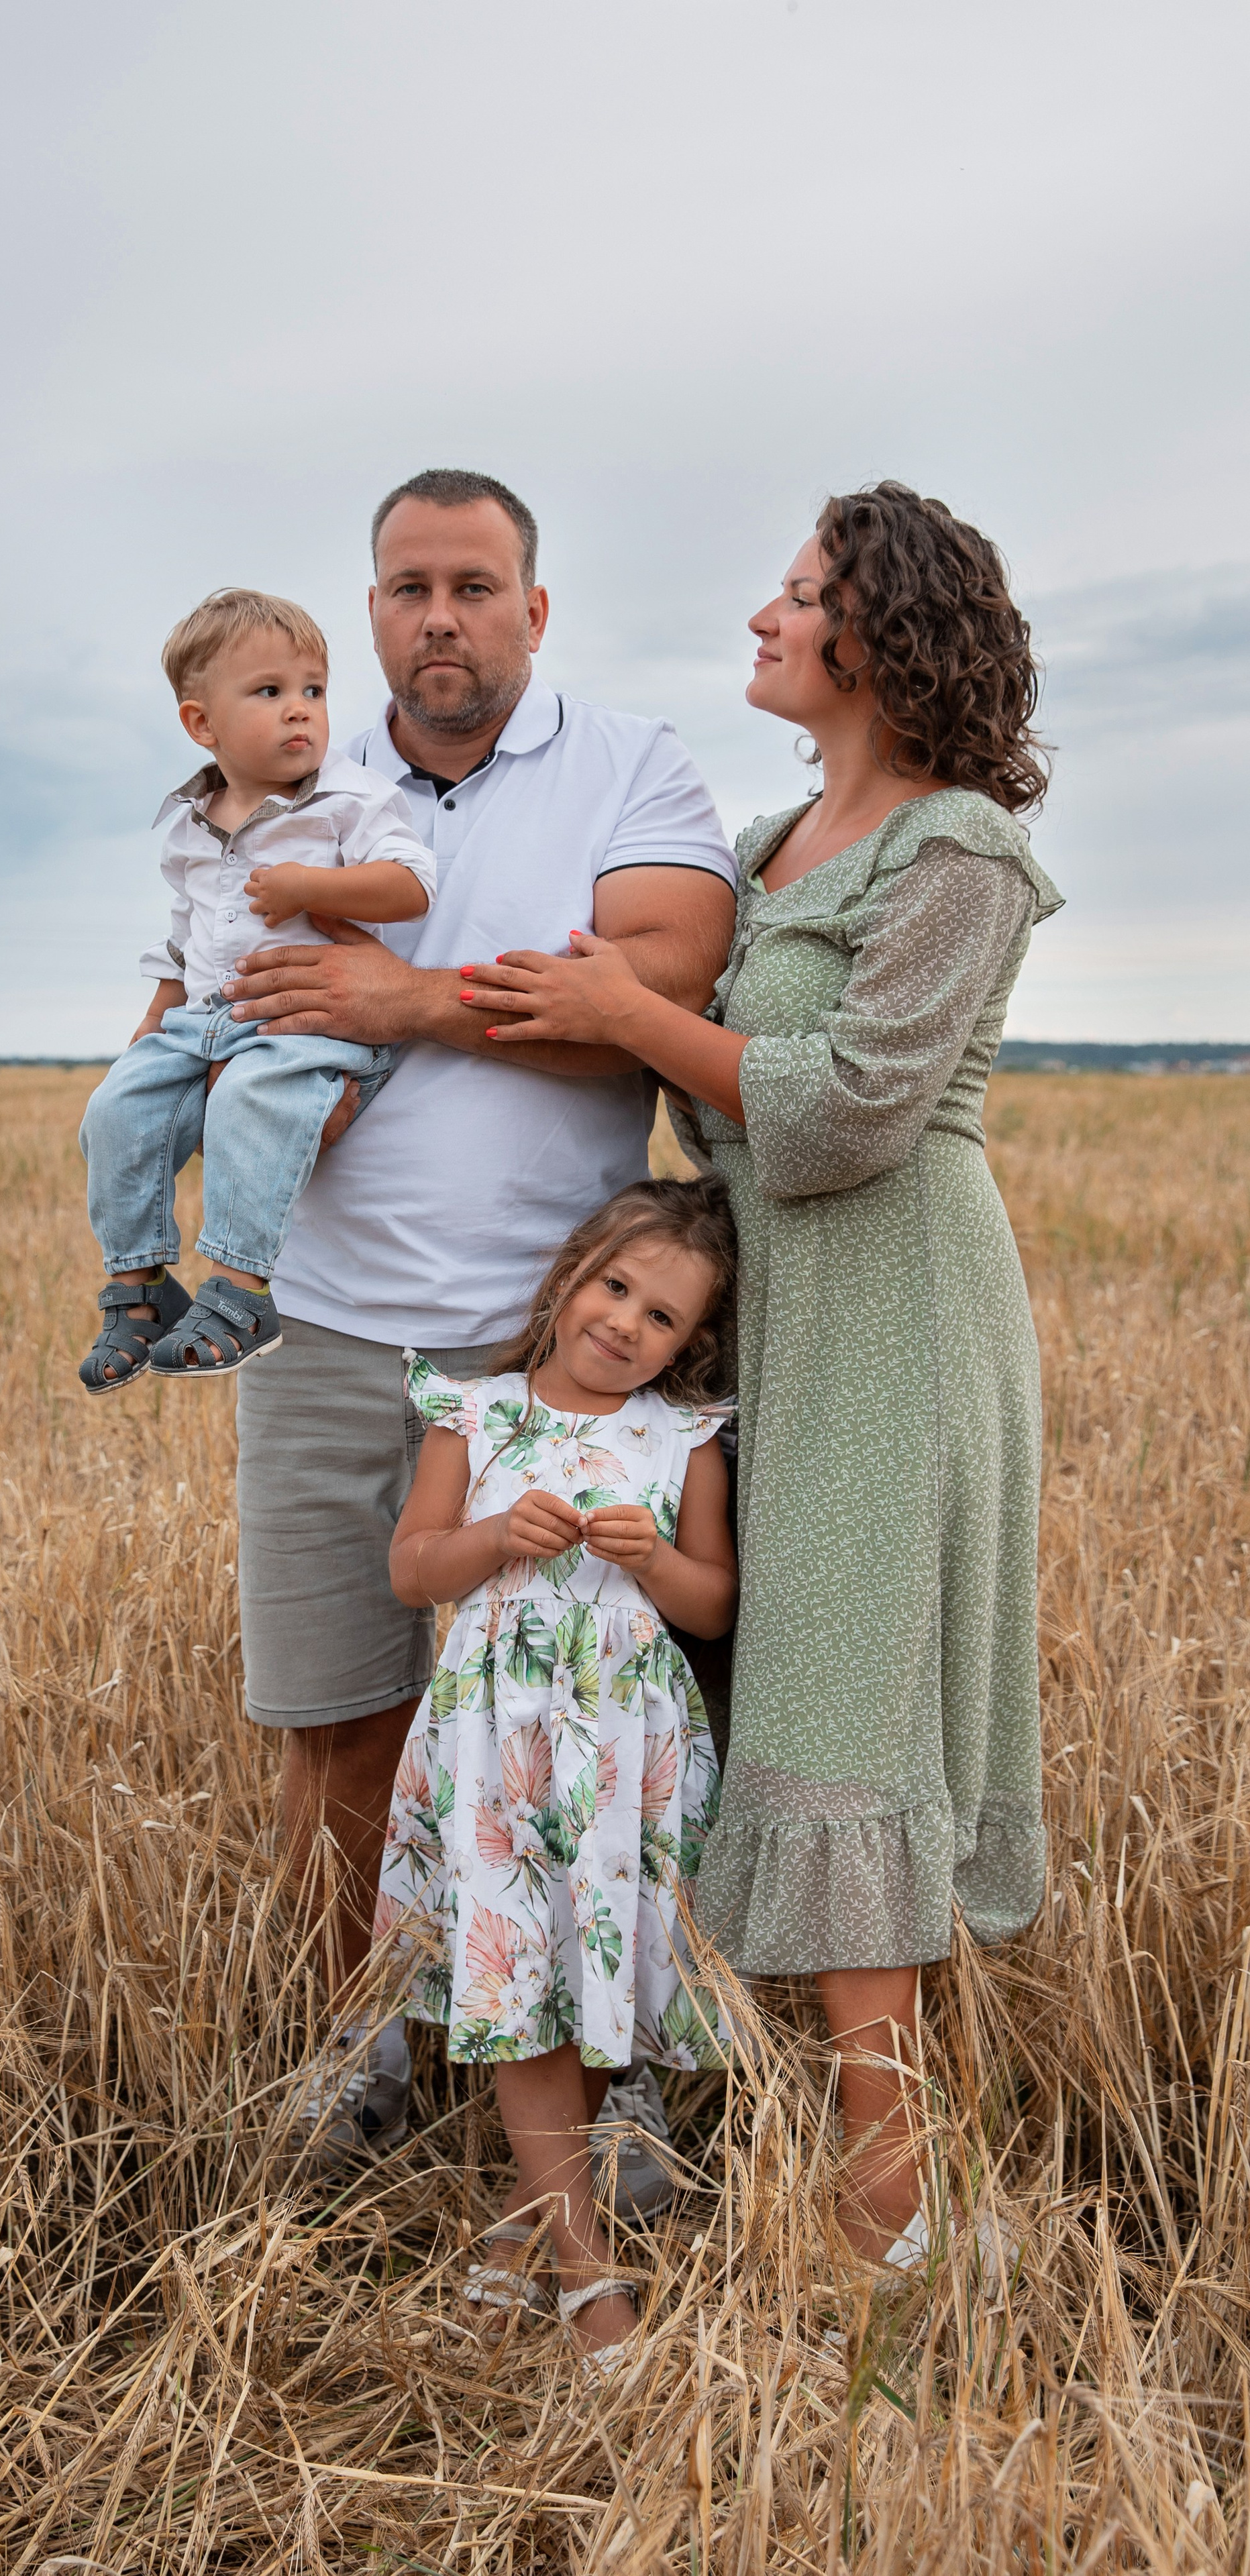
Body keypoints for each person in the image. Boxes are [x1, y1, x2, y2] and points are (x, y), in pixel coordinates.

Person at [457, 480, 1061, 2267]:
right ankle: (793, 2151)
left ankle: (896, 2218)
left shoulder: (960, 852)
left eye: (797, 595)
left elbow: (851, 1110)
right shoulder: (774, 835)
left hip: (891, 1314)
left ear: (878, 634)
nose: (762, 618)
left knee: (839, 1725)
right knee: (750, 1695)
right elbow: (699, 1082)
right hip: (773, 1314)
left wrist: (630, 1015)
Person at [221, 469, 739, 2200]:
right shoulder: (294, 787)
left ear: (534, 608)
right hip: (322, 1323)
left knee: (598, 1719)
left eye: (471, 584)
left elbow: (655, 995)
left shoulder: (630, 766)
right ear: (367, 609)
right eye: (404, 586)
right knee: (338, 1721)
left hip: (558, 1351)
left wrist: (400, 1000)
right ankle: (359, 2054)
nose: (436, 617)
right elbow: (213, 976)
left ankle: (623, 2064)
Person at [373, 1177, 739, 2365]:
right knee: (515, 1971)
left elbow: (713, 1604)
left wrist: (654, 1562)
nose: (626, 1323)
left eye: (662, 1316)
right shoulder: (475, 1415)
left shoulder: (682, 1439)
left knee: (593, 1977)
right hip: (496, 1747)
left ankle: (525, 2230)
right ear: (570, 1273)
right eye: (614, 1286)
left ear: (690, 1343)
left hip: (624, 1752)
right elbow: (413, 1569)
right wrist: (492, 1539)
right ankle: (588, 2272)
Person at [76, 589, 436, 1392]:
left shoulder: (350, 800)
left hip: (307, 1026)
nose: (300, 709)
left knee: (247, 1099)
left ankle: (243, 1293)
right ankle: (138, 1290)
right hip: (202, 1019)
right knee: (115, 1111)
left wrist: (312, 886)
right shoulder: (188, 822)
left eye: (313, 689)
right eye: (270, 692)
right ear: (200, 723)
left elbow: (411, 885)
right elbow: (184, 936)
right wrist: (153, 1023)